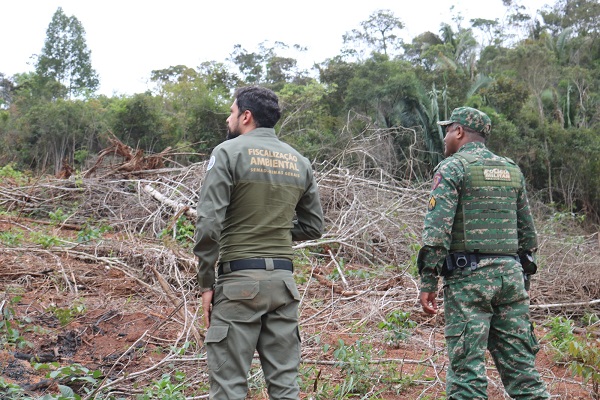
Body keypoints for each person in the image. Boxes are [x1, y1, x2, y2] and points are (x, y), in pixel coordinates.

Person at [193, 85, 324, 399]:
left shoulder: (227, 152)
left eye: (232, 112)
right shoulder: (299, 161)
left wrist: (206, 283)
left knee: (229, 387)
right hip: (283, 286)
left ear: (246, 116)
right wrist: (273, 227)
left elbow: (209, 225)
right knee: (284, 387)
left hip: (239, 284)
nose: (229, 119)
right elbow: (314, 226)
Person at [416, 107, 549, 399]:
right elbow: (528, 236)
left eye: (448, 130)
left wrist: (428, 281)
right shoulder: (511, 170)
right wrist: (520, 281)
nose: (446, 136)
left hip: (469, 281)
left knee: (467, 376)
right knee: (524, 375)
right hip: (511, 278)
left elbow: (437, 232)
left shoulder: (453, 168)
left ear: (460, 132)